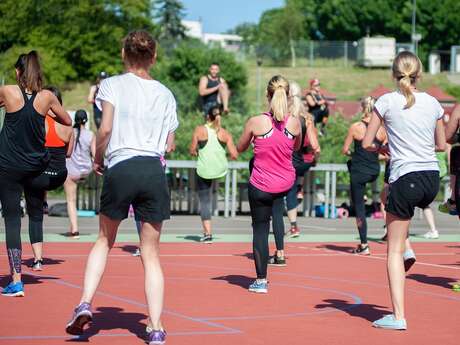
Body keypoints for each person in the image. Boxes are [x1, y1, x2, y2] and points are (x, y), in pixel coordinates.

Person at [65, 31, 178, 345]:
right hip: (153, 169)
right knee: (151, 255)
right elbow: (169, 143)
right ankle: (155, 328)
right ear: (153, 57)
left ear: (123, 54)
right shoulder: (166, 94)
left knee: (104, 240)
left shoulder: (111, 84)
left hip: (122, 165)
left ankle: (85, 302)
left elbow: (106, 128)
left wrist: (99, 157)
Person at [363, 51, 446, 330]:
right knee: (394, 203)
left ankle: (398, 316)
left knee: (392, 251)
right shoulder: (433, 103)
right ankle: (408, 248)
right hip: (431, 179)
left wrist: (384, 148)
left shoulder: (386, 101)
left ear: (393, 74)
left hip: (406, 175)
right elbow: (442, 144)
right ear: (419, 74)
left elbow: (366, 142)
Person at [0, 51, 72, 297]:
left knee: (11, 221)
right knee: (34, 212)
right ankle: (38, 256)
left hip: (8, 167)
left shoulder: (8, 91)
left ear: (18, 72)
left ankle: (16, 280)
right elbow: (67, 121)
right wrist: (46, 112)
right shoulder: (47, 97)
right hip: (35, 168)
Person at [237, 75, 301, 294]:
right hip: (283, 183)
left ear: (268, 95)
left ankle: (261, 280)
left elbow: (240, 147)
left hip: (261, 185)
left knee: (260, 230)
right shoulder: (294, 122)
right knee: (278, 215)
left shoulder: (256, 122)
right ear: (288, 96)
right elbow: (296, 145)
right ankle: (280, 252)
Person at [26, 86, 74, 271]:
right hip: (59, 176)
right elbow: (68, 154)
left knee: (35, 216)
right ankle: (44, 200)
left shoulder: (36, 123)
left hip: (39, 177)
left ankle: (38, 260)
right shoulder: (68, 127)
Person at [342, 96, 386, 255]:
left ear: (362, 108)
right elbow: (385, 153)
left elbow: (345, 150)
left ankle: (364, 244)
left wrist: (355, 154)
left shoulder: (356, 127)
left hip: (359, 172)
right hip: (374, 170)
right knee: (381, 197)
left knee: (359, 208)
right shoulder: (382, 130)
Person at [190, 105, 238, 243]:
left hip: (205, 170)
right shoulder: (225, 133)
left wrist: (198, 152)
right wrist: (222, 157)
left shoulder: (199, 130)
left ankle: (208, 233)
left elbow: (192, 150)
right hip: (220, 170)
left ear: (207, 117)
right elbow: (234, 154)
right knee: (213, 191)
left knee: (205, 201)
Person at [283, 81, 320, 240]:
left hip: (287, 161)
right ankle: (299, 186)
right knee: (294, 181)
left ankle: (292, 225)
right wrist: (314, 161)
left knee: (285, 190)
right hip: (304, 162)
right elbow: (316, 146)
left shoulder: (284, 117)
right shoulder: (307, 118)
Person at [64, 110, 95, 238]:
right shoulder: (91, 134)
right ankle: (71, 227)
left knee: (71, 200)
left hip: (71, 172)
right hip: (86, 171)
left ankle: (75, 230)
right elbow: (94, 153)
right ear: (86, 120)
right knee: (74, 199)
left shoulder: (70, 132)